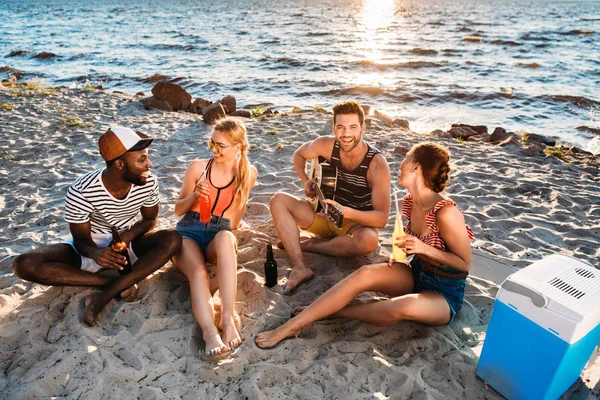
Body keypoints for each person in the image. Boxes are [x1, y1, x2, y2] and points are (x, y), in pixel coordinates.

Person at [256, 142, 474, 348]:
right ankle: (295, 324)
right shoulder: (410, 202)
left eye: (406, 159)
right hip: (417, 273)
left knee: (401, 306)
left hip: (445, 293)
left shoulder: (446, 212)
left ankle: (339, 312)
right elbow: (416, 248)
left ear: (416, 167)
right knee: (365, 273)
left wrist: (423, 248)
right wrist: (399, 257)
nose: (401, 163)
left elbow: (464, 264)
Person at [12, 127, 182, 326]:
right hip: (90, 247)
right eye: (142, 160)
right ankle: (112, 283)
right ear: (119, 164)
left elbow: (149, 220)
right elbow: (81, 240)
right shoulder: (81, 190)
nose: (149, 165)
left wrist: (127, 237)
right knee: (25, 263)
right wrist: (96, 253)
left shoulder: (148, 182)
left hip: (128, 243)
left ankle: (103, 296)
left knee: (172, 238)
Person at [270, 100, 390, 294]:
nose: (346, 134)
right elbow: (298, 155)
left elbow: (381, 218)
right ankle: (300, 267)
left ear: (363, 128)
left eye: (353, 127)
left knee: (369, 240)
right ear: (333, 128)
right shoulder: (325, 145)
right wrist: (305, 180)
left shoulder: (377, 164)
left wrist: (347, 212)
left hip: (353, 224)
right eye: (341, 127)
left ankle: (310, 246)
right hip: (321, 213)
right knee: (278, 200)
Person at [173, 118, 258, 358]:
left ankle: (228, 320)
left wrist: (226, 239)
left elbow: (235, 222)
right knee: (198, 272)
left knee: (226, 238)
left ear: (239, 147)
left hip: (217, 232)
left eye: (221, 145)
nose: (215, 150)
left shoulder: (248, 174)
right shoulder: (198, 168)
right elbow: (178, 210)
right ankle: (210, 332)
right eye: (212, 143)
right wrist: (194, 197)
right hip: (189, 230)